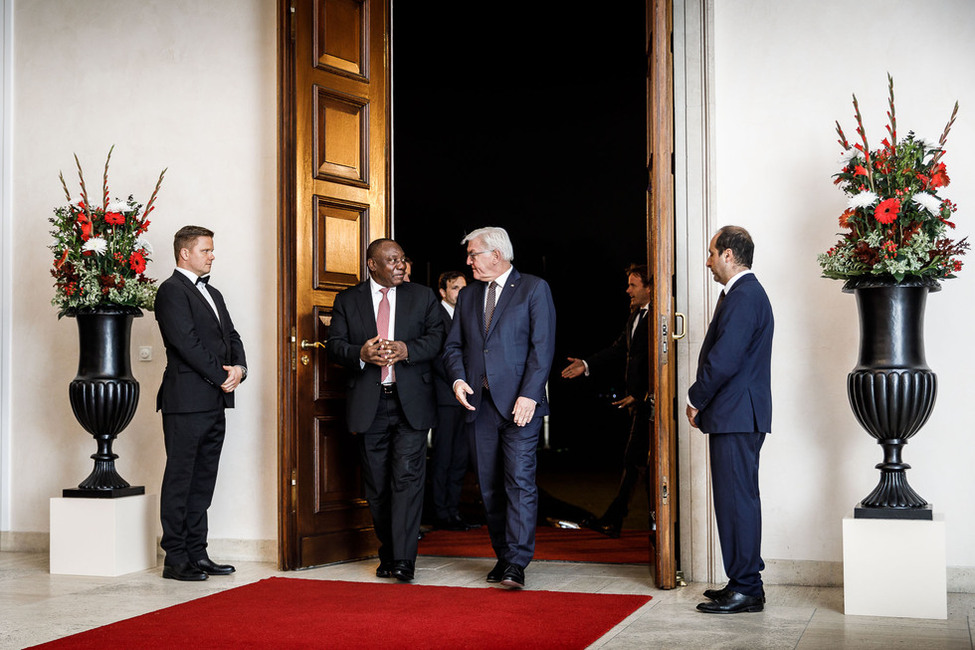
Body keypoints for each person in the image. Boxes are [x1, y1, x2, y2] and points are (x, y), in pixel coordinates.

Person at [442, 226, 556, 589]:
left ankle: (517, 562)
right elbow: (453, 347)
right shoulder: (469, 296)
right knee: (489, 486)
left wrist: (529, 394)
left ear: (496, 254)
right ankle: (504, 555)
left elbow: (543, 349)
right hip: (479, 404)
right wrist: (459, 379)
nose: (468, 261)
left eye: (473, 254)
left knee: (519, 482)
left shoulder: (534, 289)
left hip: (520, 406)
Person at [328, 238, 445, 583]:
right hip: (370, 404)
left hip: (411, 403)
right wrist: (360, 354)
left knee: (407, 479)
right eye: (392, 260)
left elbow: (439, 338)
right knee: (377, 485)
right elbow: (334, 346)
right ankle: (389, 552)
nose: (400, 266)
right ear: (372, 265)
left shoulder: (422, 297)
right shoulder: (347, 300)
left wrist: (406, 349)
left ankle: (404, 559)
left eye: (403, 259)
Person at [686, 226, 773, 614]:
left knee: (737, 501)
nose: (707, 262)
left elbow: (725, 359)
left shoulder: (745, 295)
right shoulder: (743, 295)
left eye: (711, 253)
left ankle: (747, 588)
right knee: (735, 500)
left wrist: (695, 399)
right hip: (736, 414)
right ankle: (742, 581)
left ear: (728, 255)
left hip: (736, 414)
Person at [155, 225, 247, 582]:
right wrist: (221, 375)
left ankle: (198, 553)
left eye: (211, 250)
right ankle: (175, 558)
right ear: (184, 253)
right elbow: (186, 344)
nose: (212, 256)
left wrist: (239, 368)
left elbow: (232, 336)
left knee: (203, 480)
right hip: (186, 401)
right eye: (206, 250)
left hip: (214, 401)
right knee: (181, 480)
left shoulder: (214, 293)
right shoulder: (170, 291)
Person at [561, 264, 653, 538]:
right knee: (639, 462)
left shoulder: (660, 318)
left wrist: (641, 395)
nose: (628, 290)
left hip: (649, 403)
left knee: (636, 460)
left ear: (649, 287)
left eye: (633, 285)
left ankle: (618, 520)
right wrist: (586, 364)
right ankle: (648, 523)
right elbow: (617, 349)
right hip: (637, 403)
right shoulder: (635, 316)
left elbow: (662, 362)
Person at [430, 271, 477, 531]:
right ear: (443, 292)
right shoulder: (436, 315)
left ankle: (453, 512)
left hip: (466, 396)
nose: (462, 292)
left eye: (464, 287)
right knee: (443, 456)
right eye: (456, 288)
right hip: (446, 396)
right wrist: (459, 380)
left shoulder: (467, 314)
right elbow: (438, 357)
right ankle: (440, 513)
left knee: (460, 456)